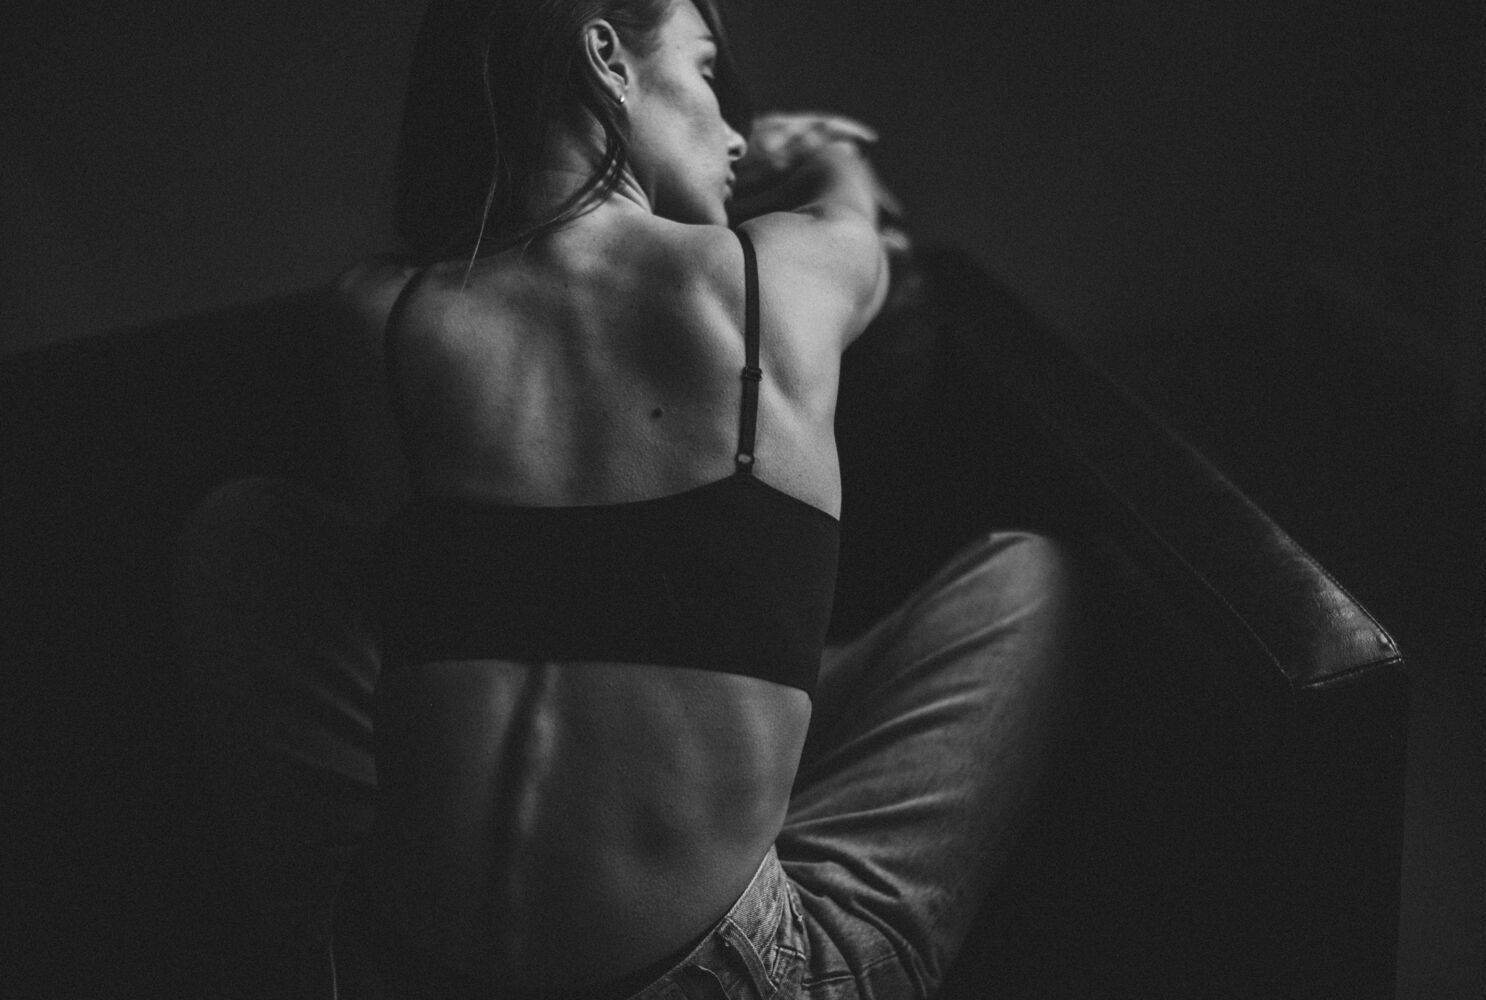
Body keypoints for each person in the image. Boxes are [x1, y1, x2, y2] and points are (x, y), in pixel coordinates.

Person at [173, 1, 1089, 997]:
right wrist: (828, 153)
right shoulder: (778, 275)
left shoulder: (377, 316)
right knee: (1031, 580)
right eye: (706, 72)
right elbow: (857, 223)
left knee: (247, 529)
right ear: (606, 59)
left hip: (394, 973)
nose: (734, 132)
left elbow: (512, 598)